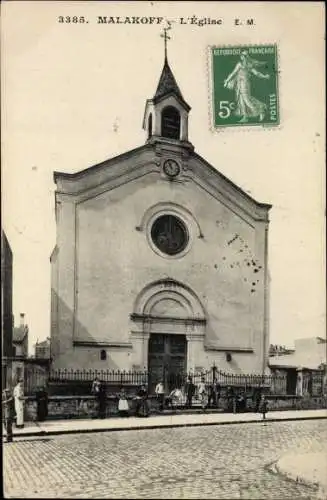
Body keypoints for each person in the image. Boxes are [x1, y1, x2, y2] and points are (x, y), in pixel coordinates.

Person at [223, 50, 270, 123]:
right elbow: (233, 73)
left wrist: (264, 77)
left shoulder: (249, 65)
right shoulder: (239, 64)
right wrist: (227, 80)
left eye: (244, 55)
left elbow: (256, 73)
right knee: (241, 101)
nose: (242, 57)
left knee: (247, 99)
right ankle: (245, 117)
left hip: (245, 84)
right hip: (239, 84)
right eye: (242, 55)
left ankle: (261, 110)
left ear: (246, 57)